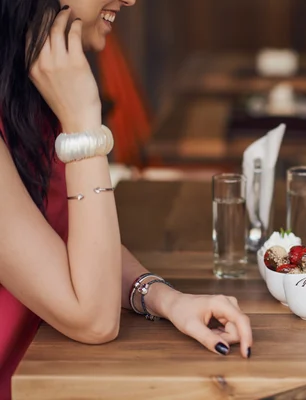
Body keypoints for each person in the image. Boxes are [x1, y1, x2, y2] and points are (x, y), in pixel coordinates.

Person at [0, 1, 252, 396]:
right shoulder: (60, 104)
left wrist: (167, 300)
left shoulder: (26, 95)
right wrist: (83, 123)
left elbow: (68, 238)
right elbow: (94, 321)